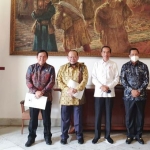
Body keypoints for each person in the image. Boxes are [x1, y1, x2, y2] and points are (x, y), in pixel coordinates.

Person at [57, 50, 88, 144]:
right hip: (66, 97)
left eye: (74, 57)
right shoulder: (62, 68)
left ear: (78, 57)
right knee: (65, 119)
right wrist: (67, 89)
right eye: (70, 57)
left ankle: (79, 136)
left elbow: (85, 79)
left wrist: (76, 89)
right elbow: (59, 80)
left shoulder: (83, 67)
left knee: (78, 118)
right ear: (67, 58)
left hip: (78, 97)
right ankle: (64, 137)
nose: (72, 58)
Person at [25, 50, 55, 147]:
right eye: (40, 56)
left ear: (47, 57)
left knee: (46, 119)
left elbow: (52, 82)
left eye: (44, 56)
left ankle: (47, 137)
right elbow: (28, 81)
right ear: (37, 57)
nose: (42, 58)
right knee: (33, 119)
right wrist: (36, 91)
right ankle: (31, 137)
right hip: (34, 97)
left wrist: (42, 92)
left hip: (46, 97)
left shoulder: (51, 68)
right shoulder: (31, 67)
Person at [120, 48, 149, 144]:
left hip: (141, 96)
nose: (134, 55)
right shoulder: (125, 66)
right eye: (132, 54)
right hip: (128, 96)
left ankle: (139, 135)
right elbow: (123, 80)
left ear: (139, 55)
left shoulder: (144, 66)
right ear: (129, 55)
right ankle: (130, 135)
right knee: (129, 116)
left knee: (140, 116)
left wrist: (139, 91)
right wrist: (131, 90)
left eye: (136, 54)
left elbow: (146, 80)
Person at [91, 46, 119, 144]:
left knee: (108, 115)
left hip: (109, 94)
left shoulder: (114, 64)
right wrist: (101, 86)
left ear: (110, 53)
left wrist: (108, 86)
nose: (106, 54)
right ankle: (97, 136)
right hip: (99, 93)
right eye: (104, 52)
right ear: (101, 53)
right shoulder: (96, 64)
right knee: (98, 115)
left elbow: (116, 79)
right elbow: (93, 78)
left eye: (107, 52)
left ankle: (107, 136)